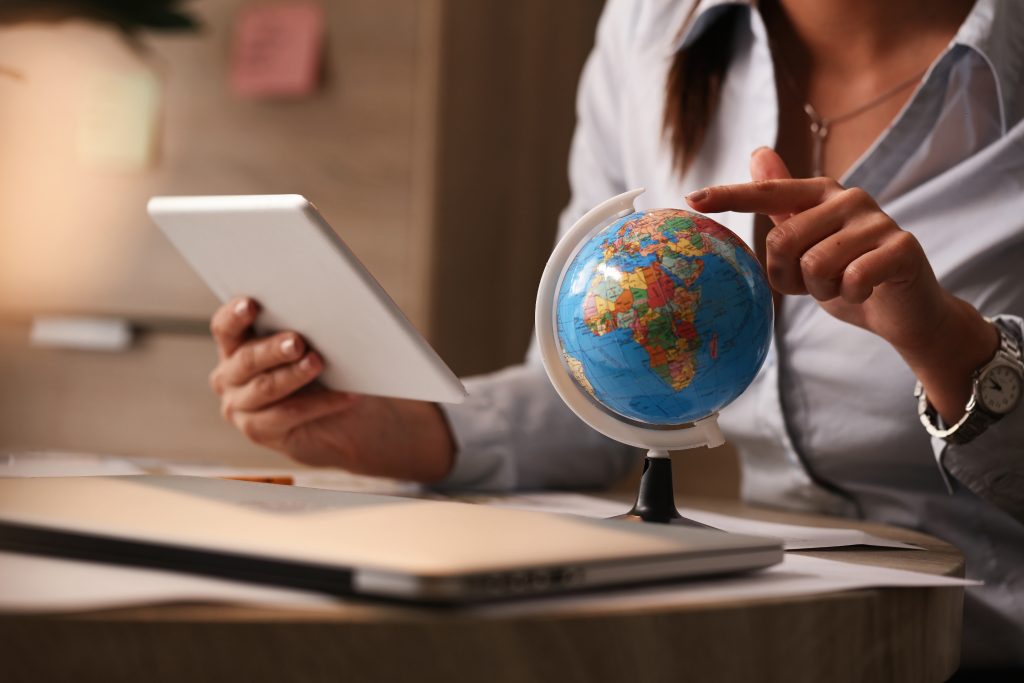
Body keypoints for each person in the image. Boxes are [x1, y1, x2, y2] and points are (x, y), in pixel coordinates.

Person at [207, 0, 1024, 672]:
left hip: (975, 640)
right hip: (760, 628)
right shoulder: (648, 28)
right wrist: (396, 425)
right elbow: (591, 390)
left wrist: (953, 346)